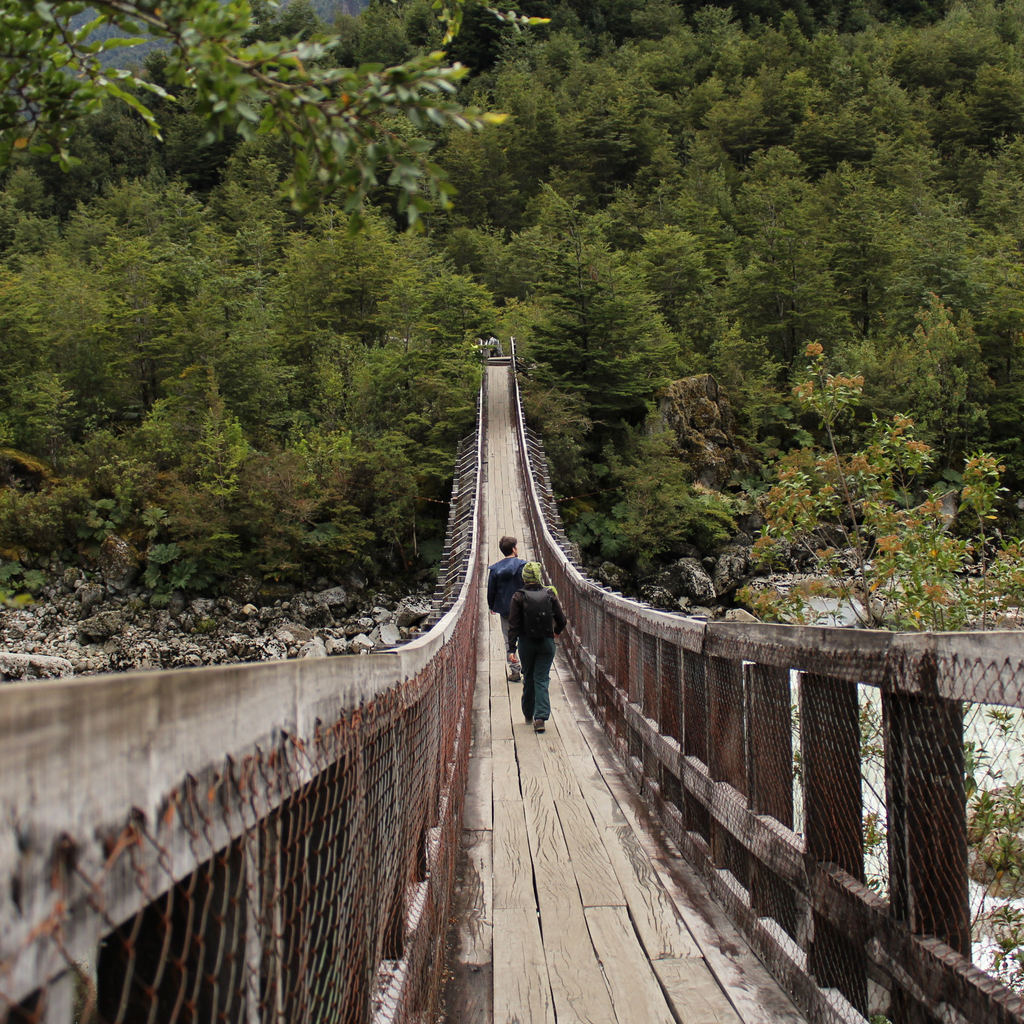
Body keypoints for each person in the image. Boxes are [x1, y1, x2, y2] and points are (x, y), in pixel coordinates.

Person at [507, 561, 566, 733]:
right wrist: (557, 631)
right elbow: (562, 620)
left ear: (524, 577)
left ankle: (527, 713)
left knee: (529, 677)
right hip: (546, 644)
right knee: (541, 678)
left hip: (526, 644)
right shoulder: (549, 594)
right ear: (539, 576)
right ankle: (540, 717)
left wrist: (511, 649)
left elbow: (514, 625)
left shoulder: (518, 597)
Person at [487, 535, 527, 681]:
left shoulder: (495, 569)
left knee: (508, 638)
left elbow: (491, 589)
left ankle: (515, 670)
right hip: (523, 608)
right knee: (524, 637)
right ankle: (526, 667)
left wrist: (492, 605)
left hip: (506, 609)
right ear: (513, 549)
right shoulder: (523, 566)